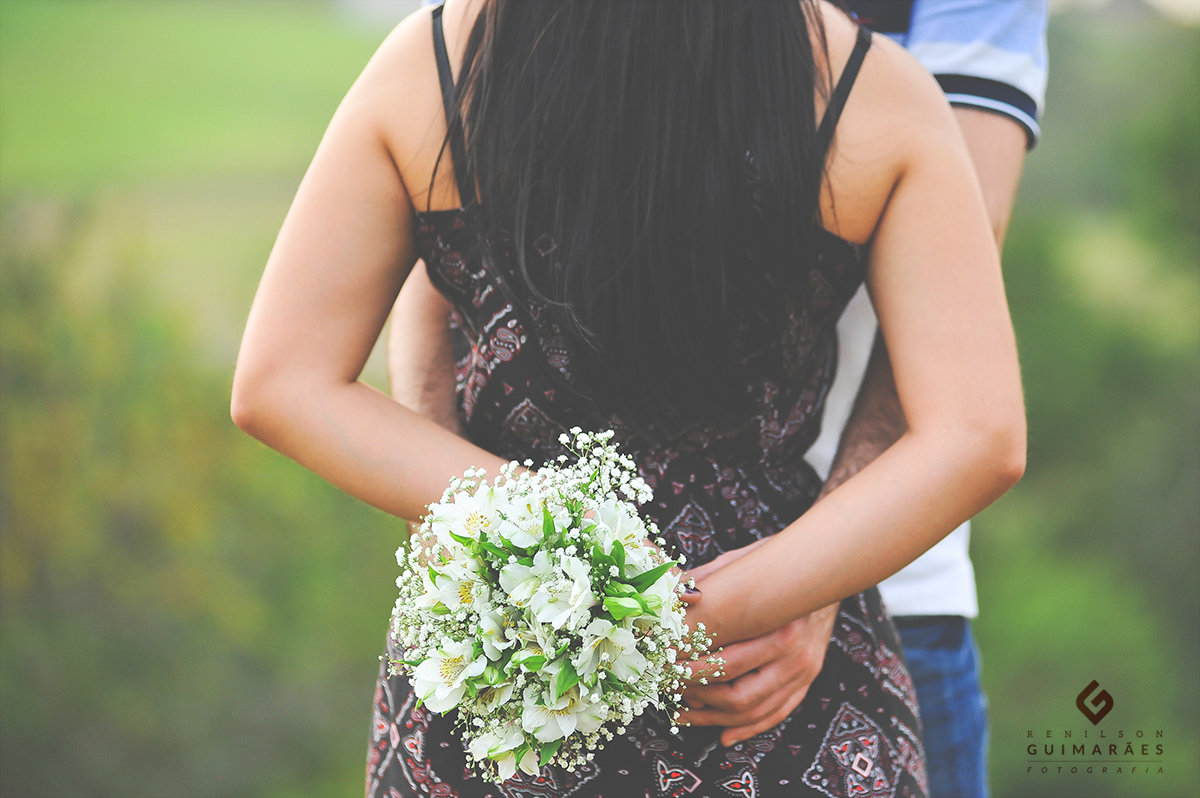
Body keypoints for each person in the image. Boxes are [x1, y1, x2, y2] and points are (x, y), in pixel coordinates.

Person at [230, 1, 1025, 796]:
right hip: (765, 680)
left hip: (509, 676)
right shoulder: (871, 89)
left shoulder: (433, 60)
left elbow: (281, 383)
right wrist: (709, 607)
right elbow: (979, 433)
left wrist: (553, 542)